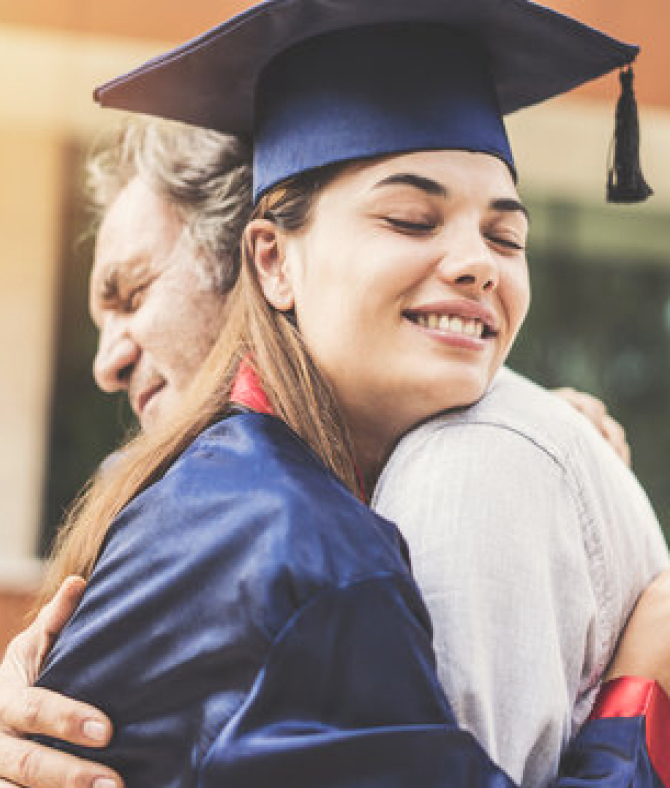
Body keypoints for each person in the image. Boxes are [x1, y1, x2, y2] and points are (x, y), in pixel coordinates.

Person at [1, 4, 669, 788]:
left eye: (506, 237)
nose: (477, 263)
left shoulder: (220, 499)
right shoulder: (306, 551)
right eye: (410, 217)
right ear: (273, 262)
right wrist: (642, 685)